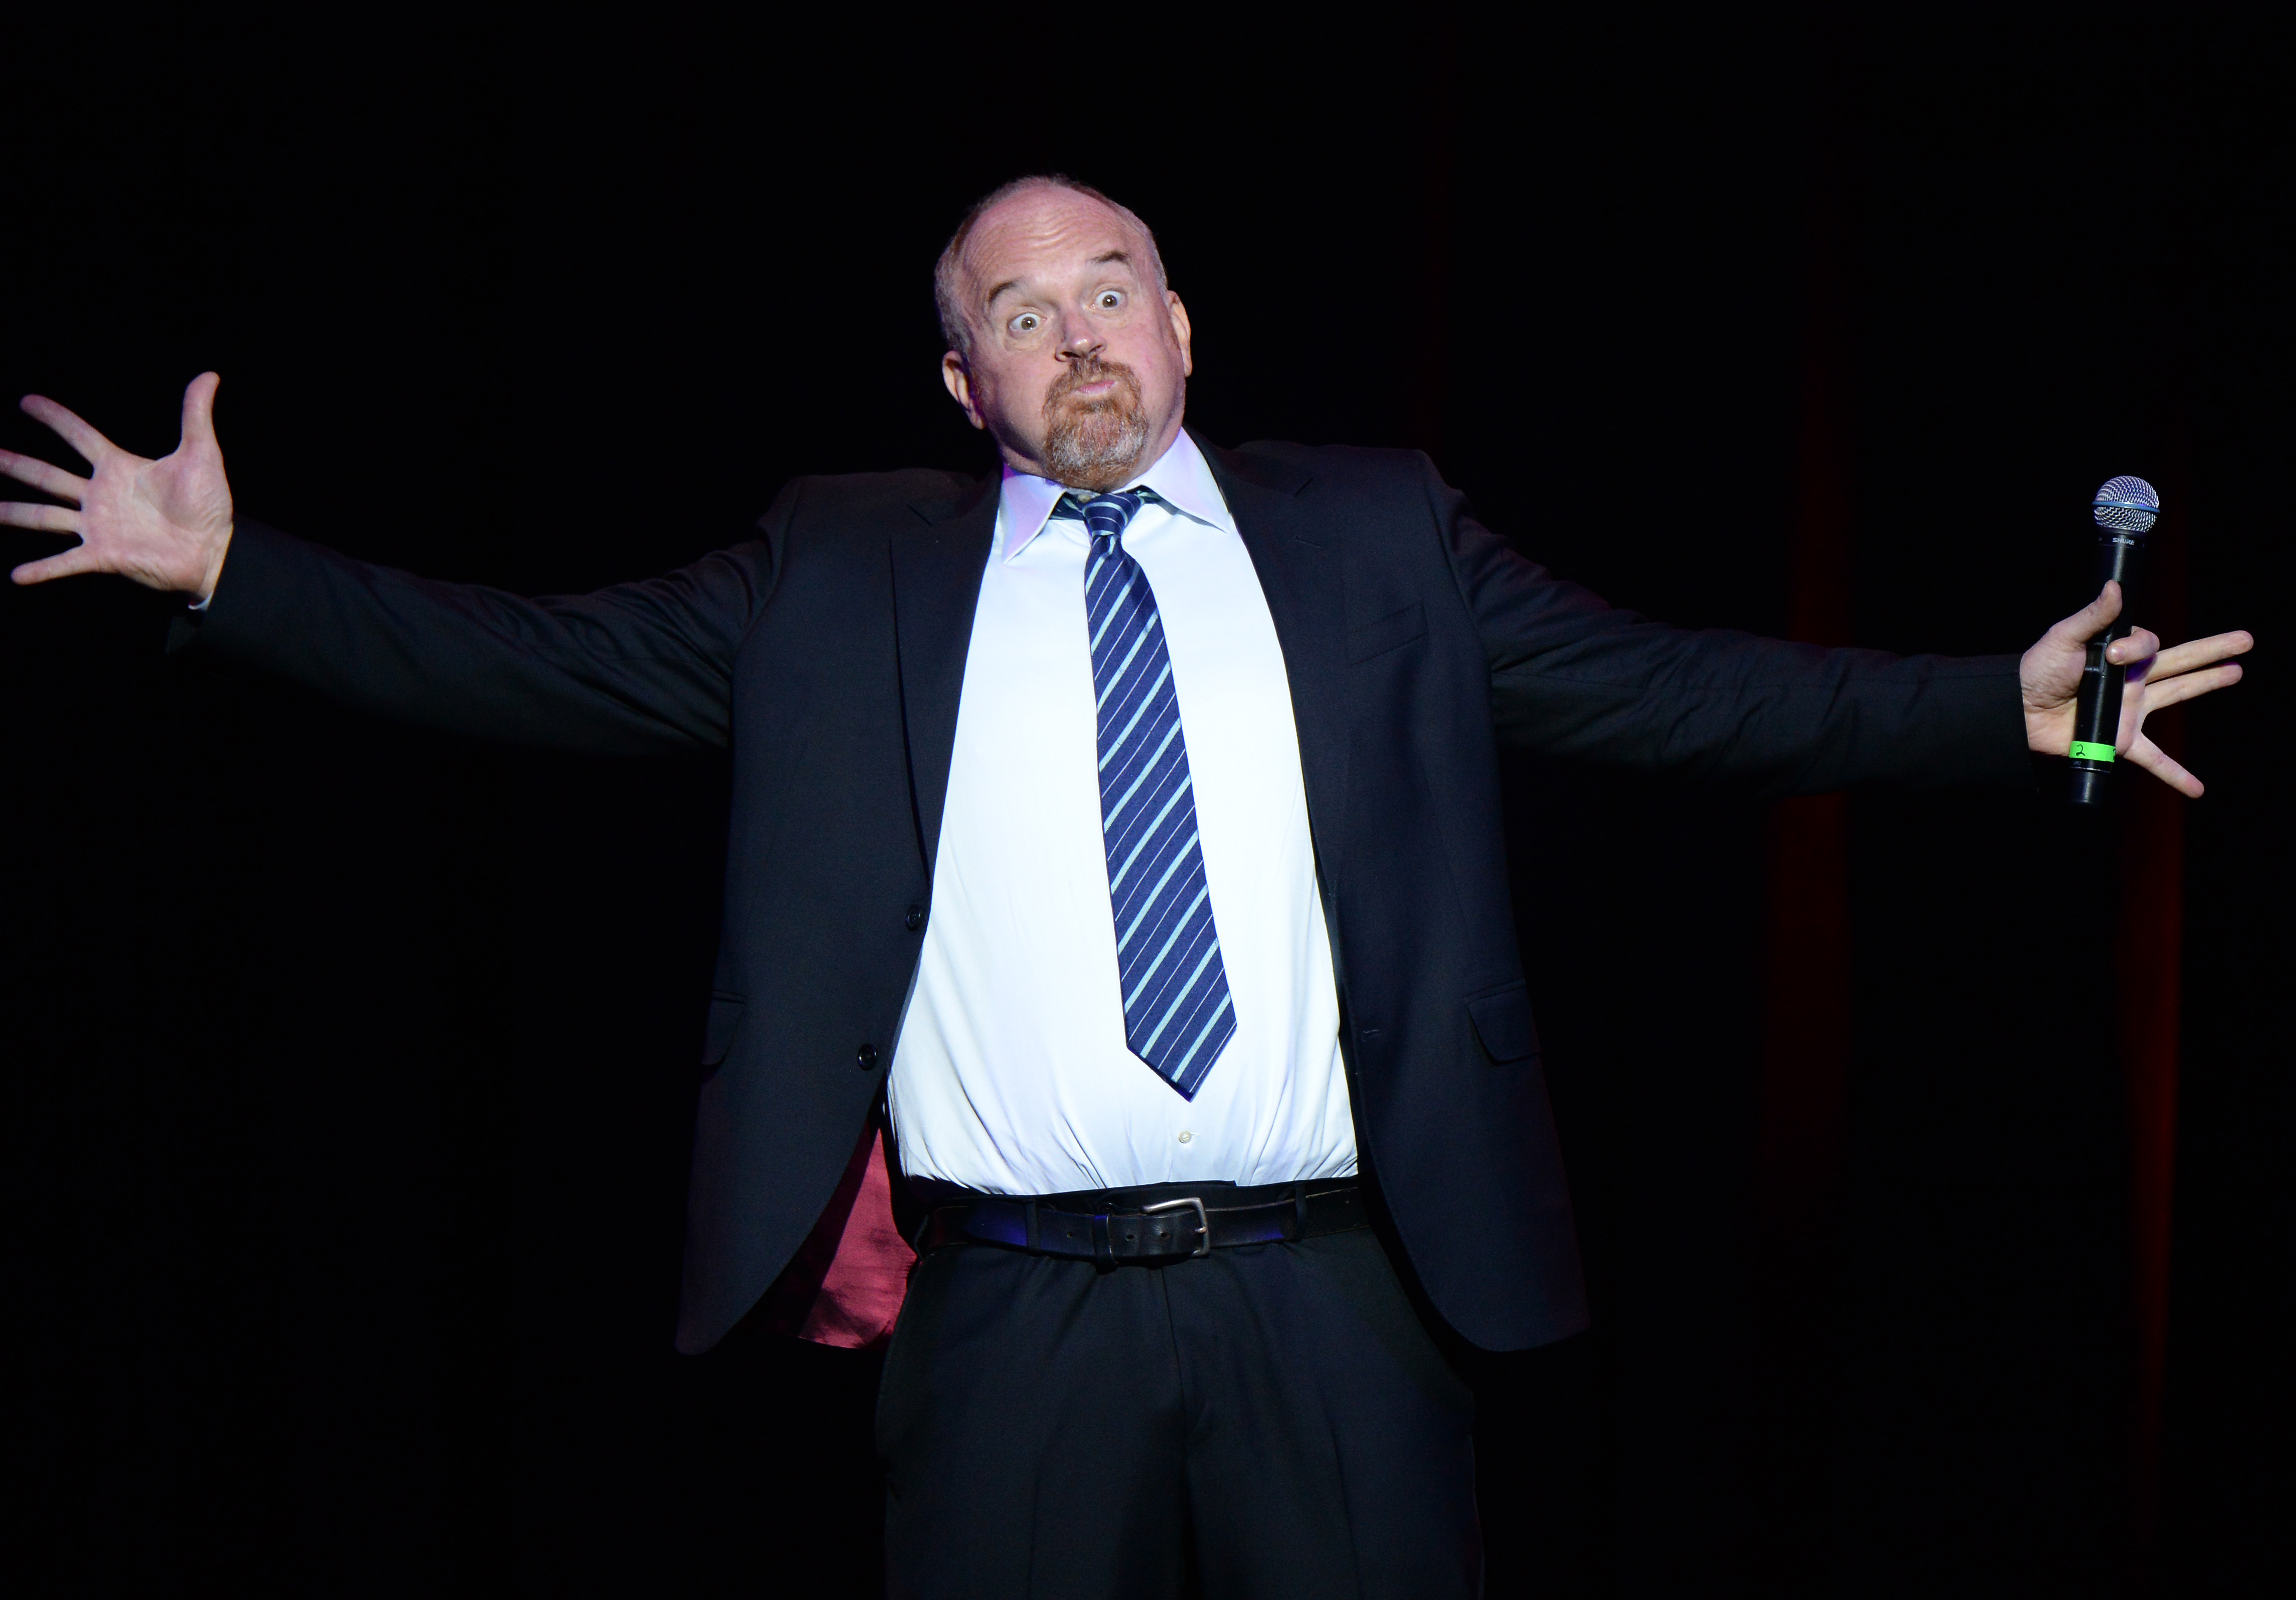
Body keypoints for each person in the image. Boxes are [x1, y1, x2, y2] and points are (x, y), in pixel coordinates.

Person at [1, 174, 2250, 1599]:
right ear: (966, 383)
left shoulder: (1375, 533)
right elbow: (531, 664)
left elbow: (1675, 695)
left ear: (1181, 332)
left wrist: (2000, 703)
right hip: (1009, 1329)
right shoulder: (835, 565)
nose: (1073, 333)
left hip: (1344, 1305)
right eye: (1019, 309)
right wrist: (237, 574)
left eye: (1111, 291)